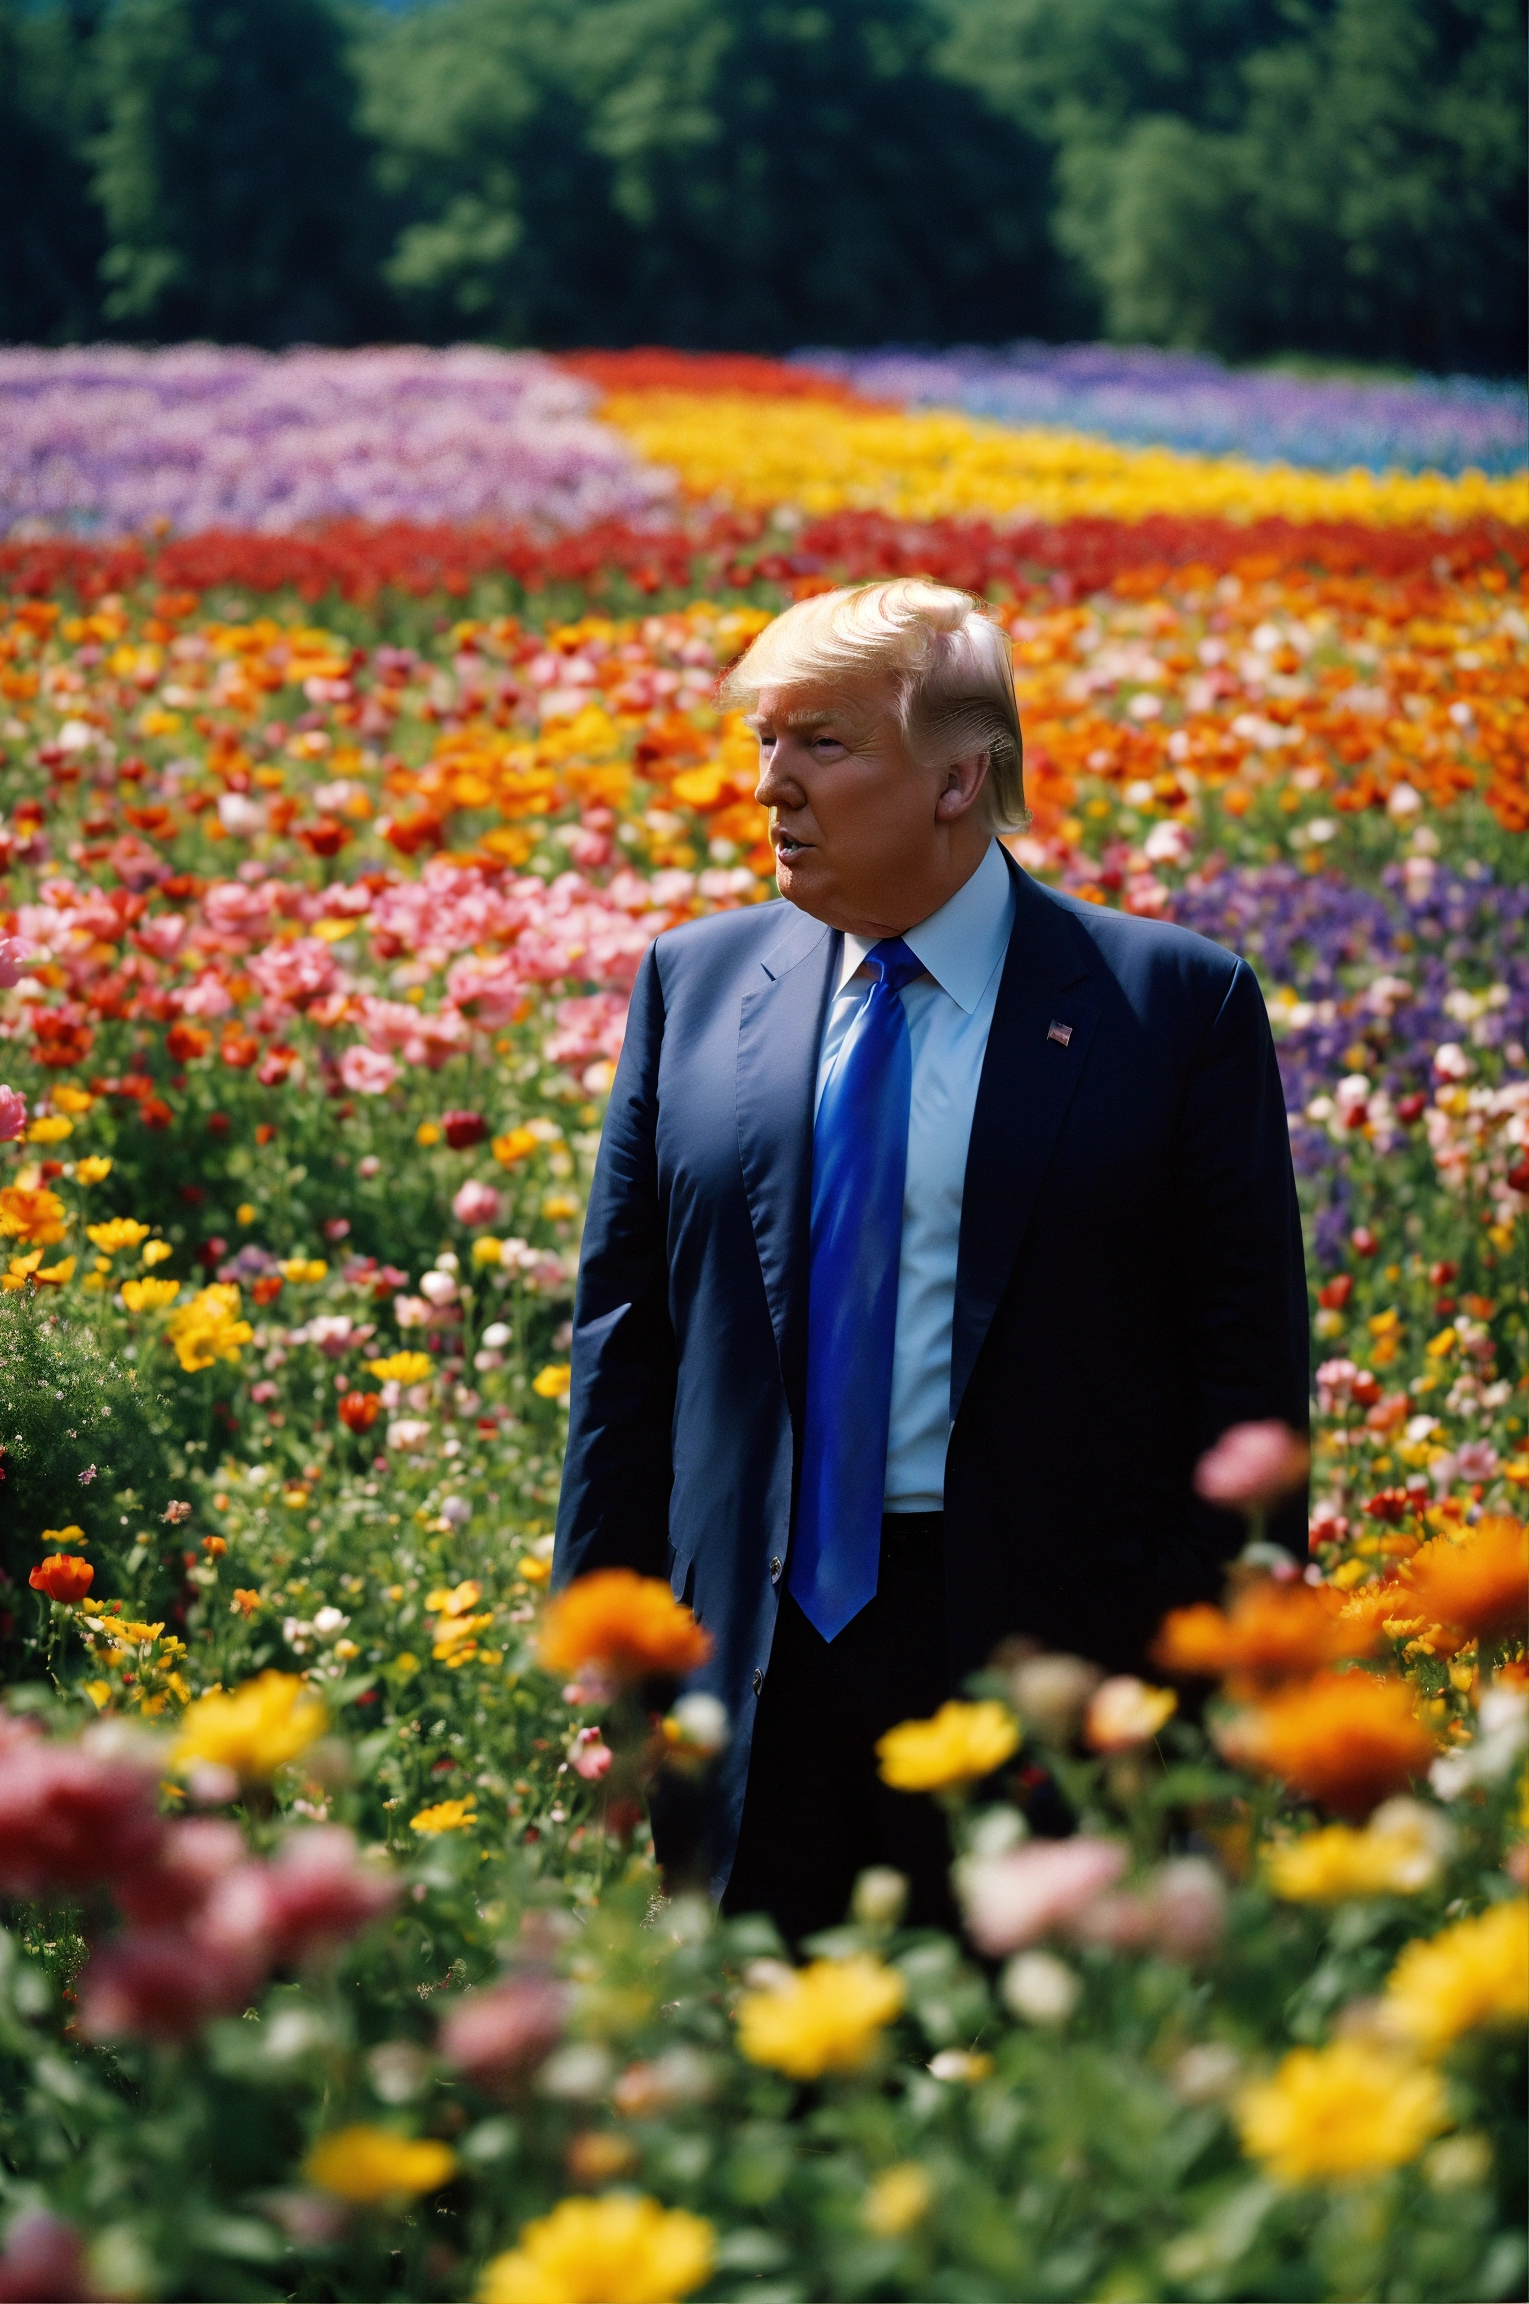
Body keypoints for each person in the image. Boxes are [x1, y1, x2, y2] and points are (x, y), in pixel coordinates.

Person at [553, 578, 1308, 1944]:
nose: (772, 789)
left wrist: (1200, 1686)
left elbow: (1246, 1378)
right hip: (751, 1662)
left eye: (823, 746)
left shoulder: (1170, 1008)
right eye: (764, 745)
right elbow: (629, 1342)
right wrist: (605, 1654)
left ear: (963, 777)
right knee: (763, 2101)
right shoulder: (696, 983)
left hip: (1053, 1674)